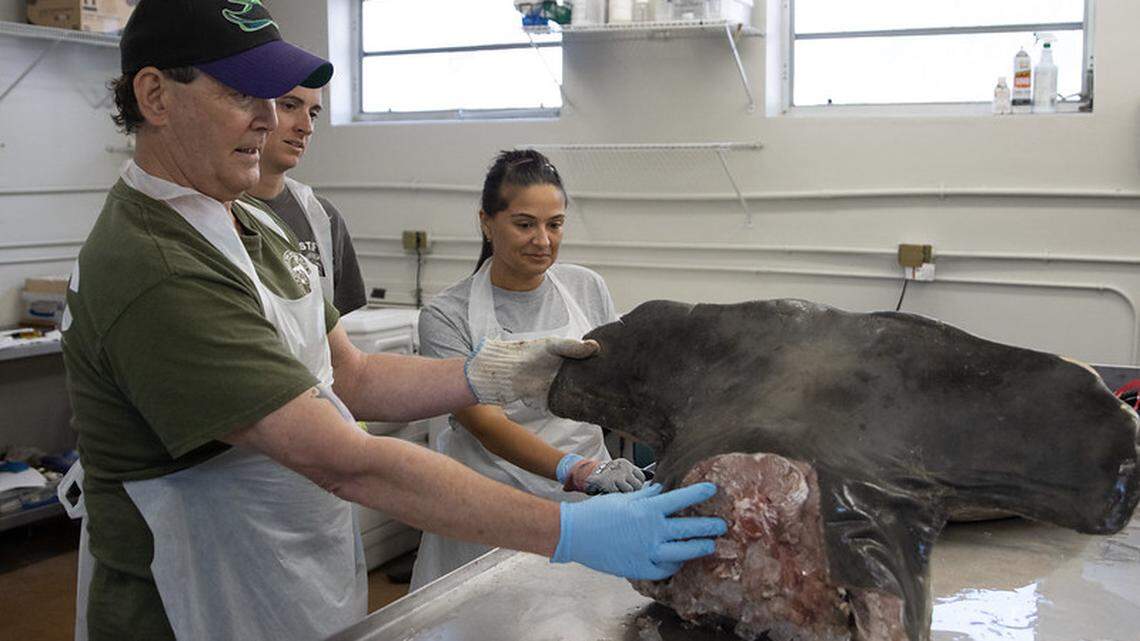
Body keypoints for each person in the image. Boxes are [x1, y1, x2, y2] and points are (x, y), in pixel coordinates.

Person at [57, 2, 726, 640]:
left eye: (277, 97)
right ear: (155, 96)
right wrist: (572, 528)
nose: (269, 119)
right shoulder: (157, 265)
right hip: (196, 599)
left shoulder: (247, 224)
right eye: (242, 94)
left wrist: (490, 373)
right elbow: (346, 461)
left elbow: (352, 374)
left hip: (284, 575)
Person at [410, 150, 646, 590]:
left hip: (585, 505)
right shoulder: (447, 315)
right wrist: (576, 469)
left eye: (554, 224)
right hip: (490, 511)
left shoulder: (585, 287)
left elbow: (616, 387)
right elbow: (484, 423)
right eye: (525, 224)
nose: (543, 239)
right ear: (486, 222)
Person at [243, 84, 367, 316]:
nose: (306, 127)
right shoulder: (218, 210)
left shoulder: (322, 216)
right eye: (289, 106)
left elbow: (341, 334)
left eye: (313, 114)